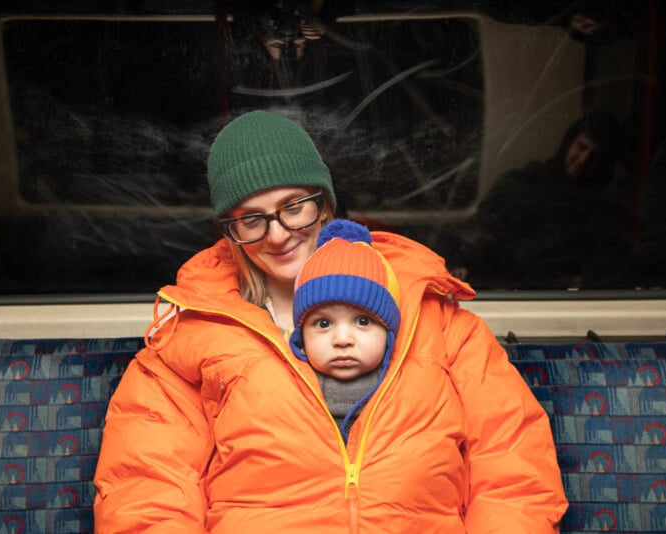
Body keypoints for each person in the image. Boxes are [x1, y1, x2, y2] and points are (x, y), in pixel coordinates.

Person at [93, 109, 567, 533]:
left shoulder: (434, 317)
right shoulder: (188, 337)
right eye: (251, 219)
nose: (277, 234)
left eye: (293, 207)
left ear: (325, 204)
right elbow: (146, 490)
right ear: (231, 233)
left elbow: (513, 466)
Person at [447, 110, 630, 288]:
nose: (583, 160)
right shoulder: (524, 182)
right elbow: (480, 229)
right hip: (500, 289)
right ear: (569, 142)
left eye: (594, 157)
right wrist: (463, 263)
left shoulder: (604, 211)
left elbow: (605, 266)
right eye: (581, 147)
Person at [288, 219, 401, 442]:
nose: (342, 339)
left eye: (363, 321)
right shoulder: (284, 390)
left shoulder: (408, 391)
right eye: (323, 324)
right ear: (301, 337)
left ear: (389, 333)